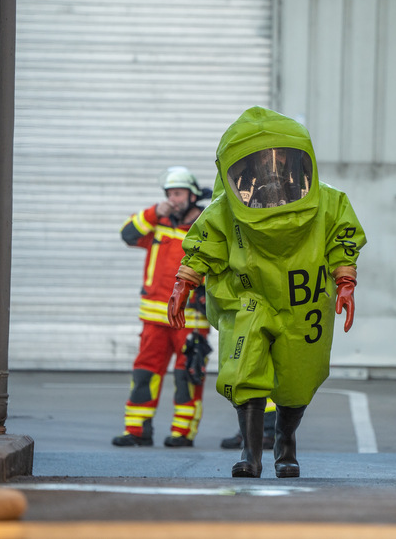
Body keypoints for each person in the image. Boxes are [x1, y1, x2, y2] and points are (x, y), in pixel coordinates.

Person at [167, 106, 366, 478]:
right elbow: (205, 243)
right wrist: (184, 281)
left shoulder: (329, 202)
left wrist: (345, 280)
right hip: (249, 300)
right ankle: (251, 452)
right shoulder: (225, 210)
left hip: (302, 303)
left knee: (299, 378)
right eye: (259, 164)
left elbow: (343, 239)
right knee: (246, 370)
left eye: (279, 162)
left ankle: (286, 443)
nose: (271, 172)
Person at [112, 166, 214, 448]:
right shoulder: (157, 223)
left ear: (193, 196)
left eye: (178, 193)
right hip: (153, 320)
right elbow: (127, 234)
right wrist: (153, 211)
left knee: (187, 377)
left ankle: (183, 432)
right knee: (145, 373)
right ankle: (137, 430)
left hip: (190, 319)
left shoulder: (206, 227)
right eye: (169, 194)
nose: (173, 199)